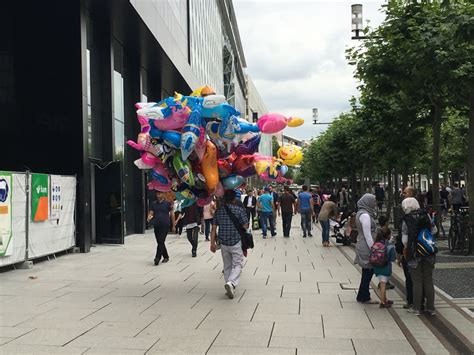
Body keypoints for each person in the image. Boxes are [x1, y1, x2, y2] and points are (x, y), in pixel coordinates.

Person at [210, 190, 249, 299]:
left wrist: (212, 243)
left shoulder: (219, 211)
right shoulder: (239, 210)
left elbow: (213, 228)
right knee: (237, 264)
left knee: (227, 265)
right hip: (236, 241)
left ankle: (229, 285)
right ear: (234, 199)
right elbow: (245, 225)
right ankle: (231, 283)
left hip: (223, 242)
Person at [401, 197, 436, 316]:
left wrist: (405, 253)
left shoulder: (407, 219)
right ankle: (430, 308)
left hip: (414, 252)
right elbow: (434, 230)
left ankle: (416, 308)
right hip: (428, 251)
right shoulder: (426, 215)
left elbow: (404, 239)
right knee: (428, 280)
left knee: (416, 281)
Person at [354, 193, 378, 304]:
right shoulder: (365, 215)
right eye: (373, 201)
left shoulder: (363, 213)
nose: (375, 203)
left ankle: (362, 294)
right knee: (368, 271)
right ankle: (364, 296)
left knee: (367, 272)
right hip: (366, 246)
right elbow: (368, 234)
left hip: (363, 244)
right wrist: (374, 249)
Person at [147, 191, 175, 265]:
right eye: (157, 194)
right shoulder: (154, 204)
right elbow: (151, 212)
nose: (158, 195)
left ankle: (157, 258)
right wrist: (149, 217)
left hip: (165, 225)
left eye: (160, 194)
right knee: (160, 242)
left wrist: (174, 225)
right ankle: (166, 256)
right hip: (156, 225)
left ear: (163, 194)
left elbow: (172, 214)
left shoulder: (167, 203)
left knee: (161, 240)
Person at [373, 226, 396, 308]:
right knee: (383, 284)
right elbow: (393, 258)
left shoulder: (376, 243)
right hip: (385, 267)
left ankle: (385, 299)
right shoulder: (389, 246)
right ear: (388, 236)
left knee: (382, 283)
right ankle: (383, 302)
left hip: (376, 266)